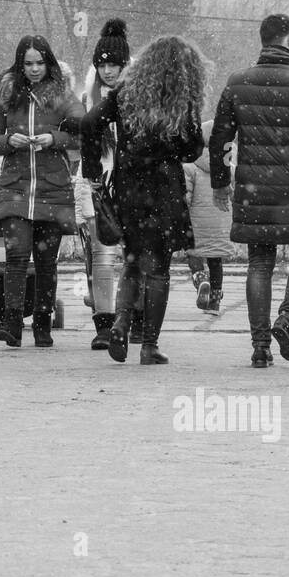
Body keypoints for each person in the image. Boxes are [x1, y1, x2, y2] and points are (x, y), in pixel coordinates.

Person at [209, 14, 289, 368]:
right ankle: (288, 319)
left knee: (260, 263)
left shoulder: (238, 83)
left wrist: (220, 182)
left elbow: (220, 137)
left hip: (254, 190)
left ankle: (260, 345)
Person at [82, 35, 207, 364]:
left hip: (129, 187)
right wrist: (174, 143)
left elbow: (90, 123)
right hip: (165, 189)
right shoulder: (181, 99)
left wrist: (93, 172)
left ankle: (121, 323)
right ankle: (149, 345)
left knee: (134, 260)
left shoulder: (126, 92)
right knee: (159, 269)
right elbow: (193, 149)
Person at [0, 35, 83, 348]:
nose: (34, 69)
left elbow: (81, 134)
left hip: (53, 187)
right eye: (28, 63)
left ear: (48, 62)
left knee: (47, 260)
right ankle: (11, 321)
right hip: (15, 185)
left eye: (40, 62)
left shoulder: (63, 92)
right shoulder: (7, 92)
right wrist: (8, 141)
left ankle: (42, 322)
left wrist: (55, 138)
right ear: (19, 64)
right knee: (17, 254)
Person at [78, 21, 131, 349]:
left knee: (134, 255)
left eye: (114, 64)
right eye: (102, 64)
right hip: (97, 181)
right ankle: (104, 323)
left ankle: (133, 316)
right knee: (101, 252)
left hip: (133, 182)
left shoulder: (139, 94)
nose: (108, 71)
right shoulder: (88, 96)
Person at [183, 119, 235, 314]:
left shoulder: (190, 166)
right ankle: (214, 301)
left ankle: (200, 279)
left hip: (196, 222)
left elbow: (186, 197)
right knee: (216, 260)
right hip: (221, 220)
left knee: (193, 254)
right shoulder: (229, 165)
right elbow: (233, 193)